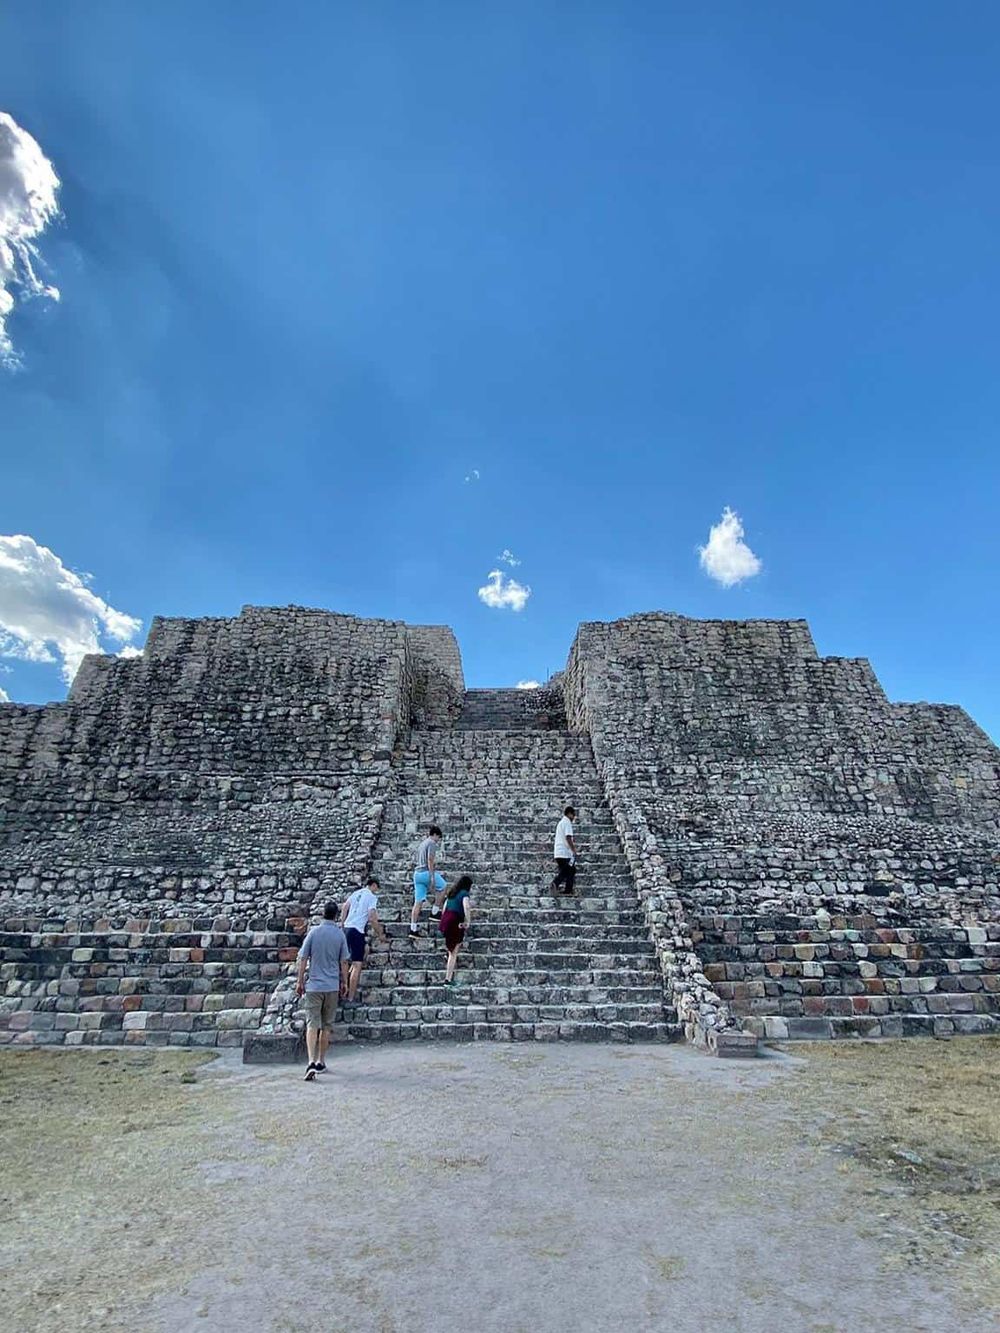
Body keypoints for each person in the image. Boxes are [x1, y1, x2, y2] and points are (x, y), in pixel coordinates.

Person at [295, 901, 349, 1081]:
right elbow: (344, 962)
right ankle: (321, 1061)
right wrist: (345, 982)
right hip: (331, 986)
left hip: (314, 985)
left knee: (312, 1023)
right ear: (335, 915)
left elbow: (303, 958)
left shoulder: (314, 932)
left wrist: (300, 980)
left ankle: (310, 1061)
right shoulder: (340, 935)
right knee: (326, 1025)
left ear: (323, 914)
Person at [339, 875, 387, 1002]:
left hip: (347, 929)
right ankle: (350, 997)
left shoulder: (356, 893)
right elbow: (372, 917)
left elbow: (345, 907)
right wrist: (380, 933)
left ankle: (343, 988)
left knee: (348, 958)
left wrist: (342, 924)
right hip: (357, 931)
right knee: (356, 964)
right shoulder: (371, 897)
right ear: (374, 885)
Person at [410, 823, 446, 936]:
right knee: (443, 886)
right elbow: (430, 860)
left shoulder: (422, 844)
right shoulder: (431, 843)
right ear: (435, 835)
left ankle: (413, 928)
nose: (438, 841)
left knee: (418, 902)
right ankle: (435, 912)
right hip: (426, 872)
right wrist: (431, 876)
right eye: (438, 838)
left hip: (417, 874)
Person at [439, 874, 473, 984]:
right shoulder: (464, 894)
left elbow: (444, 909)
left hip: (446, 921)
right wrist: (467, 921)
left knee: (451, 948)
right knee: (453, 953)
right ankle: (448, 979)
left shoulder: (451, 894)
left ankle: (448, 972)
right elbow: (466, 906)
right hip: (455, 921)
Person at [550, 806, 578, 895]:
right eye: (573, 815)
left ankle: (568, 890)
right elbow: (568, 837)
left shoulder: (561, 823)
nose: (574, 817)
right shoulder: (567, 823)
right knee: (568, 870)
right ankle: (556, 883)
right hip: (564, 853)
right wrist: (573, 849)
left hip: (558, 852)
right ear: (569, 814)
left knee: (570, 870)